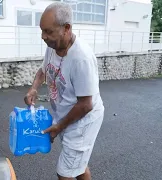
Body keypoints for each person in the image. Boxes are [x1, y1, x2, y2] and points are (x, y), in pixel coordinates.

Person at [24, 2, 105, 180]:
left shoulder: (81, 58)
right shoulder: (53, 47)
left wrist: (60, 126)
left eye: (48, 31)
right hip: (67, 115)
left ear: (66, 28)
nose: (43, 37)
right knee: (77, 164)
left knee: (65, 173)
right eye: (42, 31)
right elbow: (43, 71)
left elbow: (86, 104)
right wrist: (34, 88)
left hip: (82, 121)